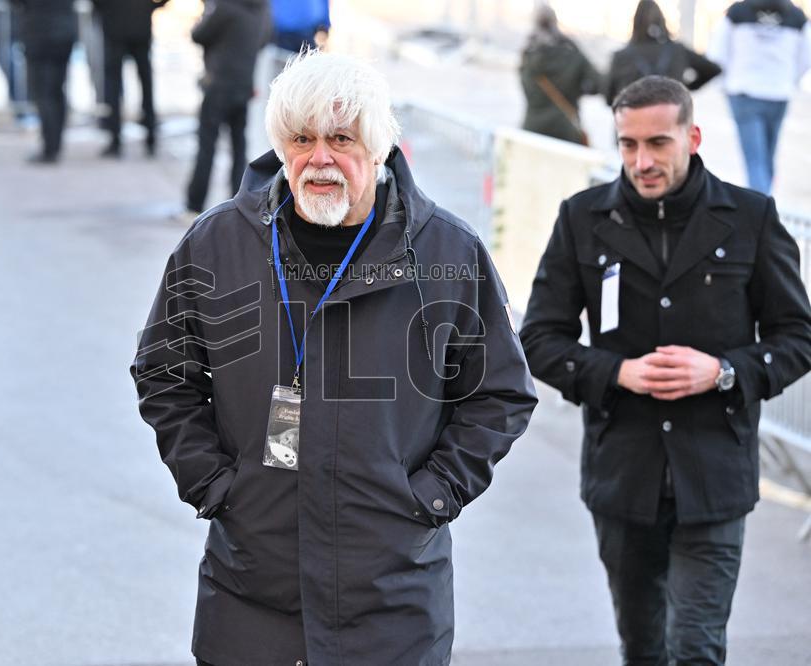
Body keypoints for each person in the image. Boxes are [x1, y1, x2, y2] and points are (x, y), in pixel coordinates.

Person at [132, 50, 537, 665]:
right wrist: (213, 484)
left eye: (340, 138)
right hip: (251, 591)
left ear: (377, 150)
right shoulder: (218, 244)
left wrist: (433, 494)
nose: (319, 158)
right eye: (301, 139)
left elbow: (500, 392)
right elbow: (164, 374)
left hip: (393, 600)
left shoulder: (447, 252)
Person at [520, 76, 811, 666]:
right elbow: (540, 338)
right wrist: (615, 373)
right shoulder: (582, 219)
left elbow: (797, 337)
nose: (641, 161)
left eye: (658, 143)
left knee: (696, 649)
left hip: (716, 476)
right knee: (644, 648)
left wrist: (724, 371)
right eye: (628, 145)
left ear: (692, 136)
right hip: (623, 476)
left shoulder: (751, 218)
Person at [708, 0, 811, 195]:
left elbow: (717, 52)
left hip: (744, 92)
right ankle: (766, 208)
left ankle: (763, 214)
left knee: (756, 162)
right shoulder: (796, 16)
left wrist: (728, 81)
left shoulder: (737, 12)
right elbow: (807, 57)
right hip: (778, 93)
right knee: (767, 160)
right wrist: (789, 80)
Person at [183, 0, 271, 219]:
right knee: (239, 147)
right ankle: (239, 204)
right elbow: (265, 40)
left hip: (218, 84)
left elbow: (199, 35)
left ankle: (194, 204)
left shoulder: (224, 6)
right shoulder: (263, 9)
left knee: (207, 146)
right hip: (244, 84)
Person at [605, 0, 721, 107]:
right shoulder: (678, 51)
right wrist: (686, 87)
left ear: (635, 22)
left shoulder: (620, 57)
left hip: (632, 125)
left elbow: (609, 99)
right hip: (672, 123)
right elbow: (714, 69)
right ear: (662, 20)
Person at [93, 0, 168, 158]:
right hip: (138, 26)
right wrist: (150, 7)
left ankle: (116, 140)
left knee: (114, 86)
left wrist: (107, 10)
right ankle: (150, 137)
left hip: (116, 27)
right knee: (145, 84)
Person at [519, 5, 602, 145]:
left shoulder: (527, 55)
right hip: (566, 131)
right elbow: (598, 84)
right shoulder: (572, 52)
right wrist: (578, 89)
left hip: (532, 131)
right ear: (555, 22)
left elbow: (527, 89)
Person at [11, 0, 76, 164]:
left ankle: (50, 146)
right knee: (55, 91)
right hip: (62, 32)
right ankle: (54, 144)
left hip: (39, 33)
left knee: (44, 93)